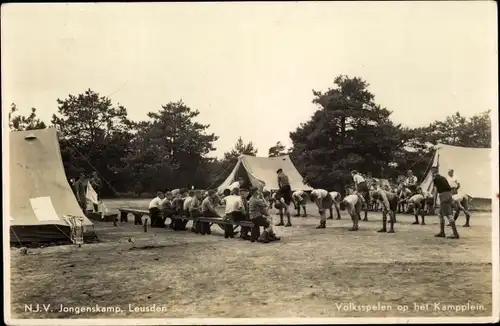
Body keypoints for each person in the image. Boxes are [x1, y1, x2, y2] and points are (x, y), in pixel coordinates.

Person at [432, 168, 459, 239]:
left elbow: (435, 191)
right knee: (440, 215)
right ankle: (442, 232)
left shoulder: (435, 179)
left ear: (433, 173)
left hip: (443, 196)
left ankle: (455, 234)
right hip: (449, 195)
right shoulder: (443, 178)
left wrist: (434, 203)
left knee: (449, 216)